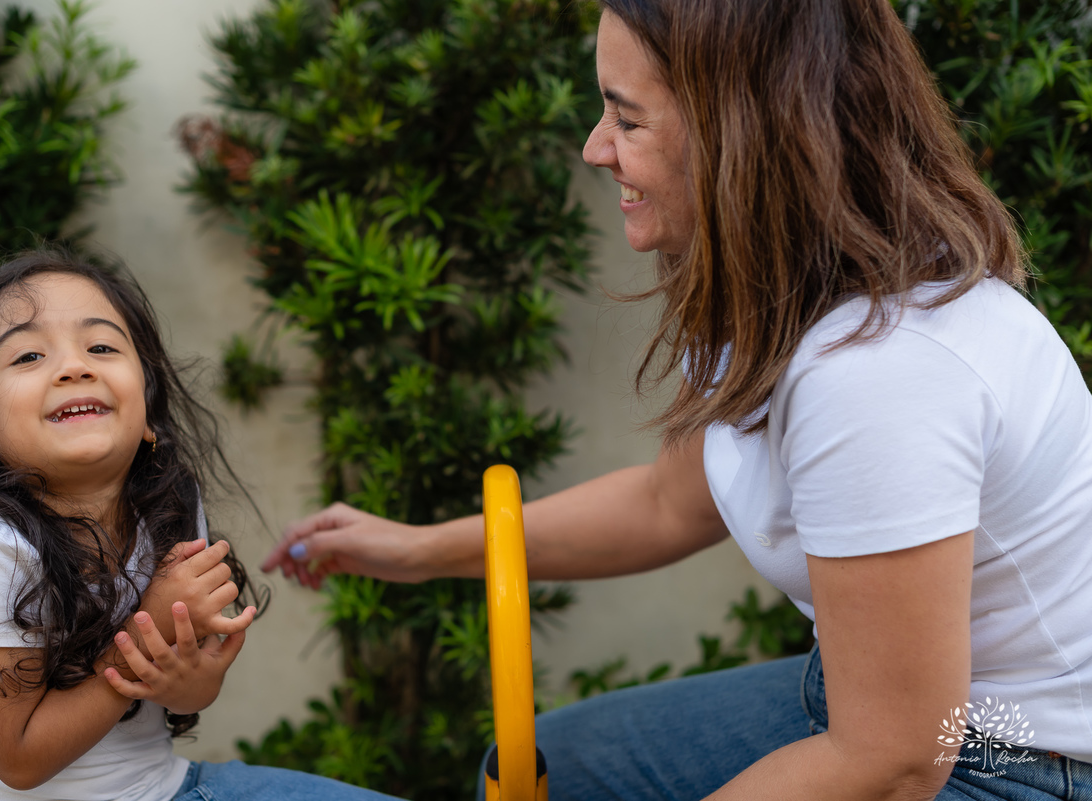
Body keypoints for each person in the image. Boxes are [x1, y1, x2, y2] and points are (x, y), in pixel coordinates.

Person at [262, 1, 1092, 799]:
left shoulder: (879, 370)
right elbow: (669, 504)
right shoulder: (781, 291)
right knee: (546, 767)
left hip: (1011, 754)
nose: (594, 148)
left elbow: (896, 762)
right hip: (895, 713)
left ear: (745, 132)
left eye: (626, 119)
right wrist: (416, 550)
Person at [0, 250, 399, 801]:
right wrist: (143, 634)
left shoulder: (168, 507)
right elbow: (17, 761)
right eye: (29, 355)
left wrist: (191, 678)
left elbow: (190, 694)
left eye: (102, 347)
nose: (74, 366)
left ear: (149, 414)